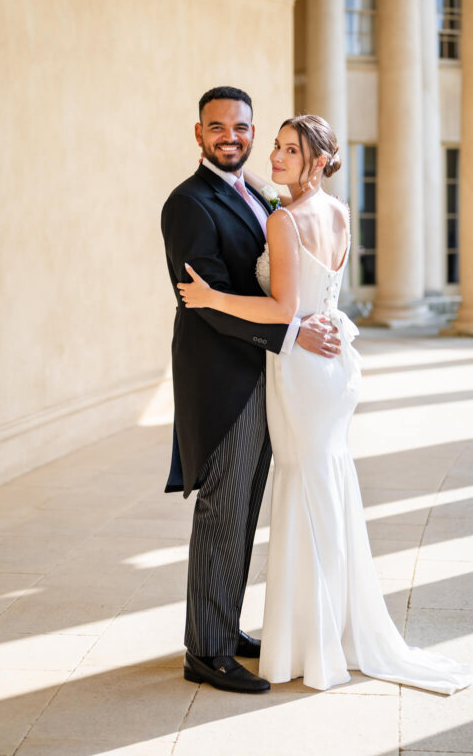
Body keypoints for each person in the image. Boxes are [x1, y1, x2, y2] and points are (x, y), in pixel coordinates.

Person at [178, 113, 473, 694]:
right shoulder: (338, 211)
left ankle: (307, 642)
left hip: (300, 371)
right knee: (327, 486)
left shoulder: (284, 218)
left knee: (303, 490)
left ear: (317, 161)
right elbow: (325, 296)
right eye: (279, 147)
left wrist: (212, 296)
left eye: (291, 150)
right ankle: (330, 626)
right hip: (334, 368)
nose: (277, 158)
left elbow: (284, 308)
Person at [161, 87, 341, 696]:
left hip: (264, 376)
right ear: (199, 133)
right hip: (223, 381)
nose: (231, 137)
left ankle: (225, 626)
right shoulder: (189, 203)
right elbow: (205, 303)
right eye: (218, 128)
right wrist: (294, 331)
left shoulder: (260, 194)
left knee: (241, 514)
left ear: (251, 130)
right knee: (223, 512)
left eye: (241, 127)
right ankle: (205, 652)